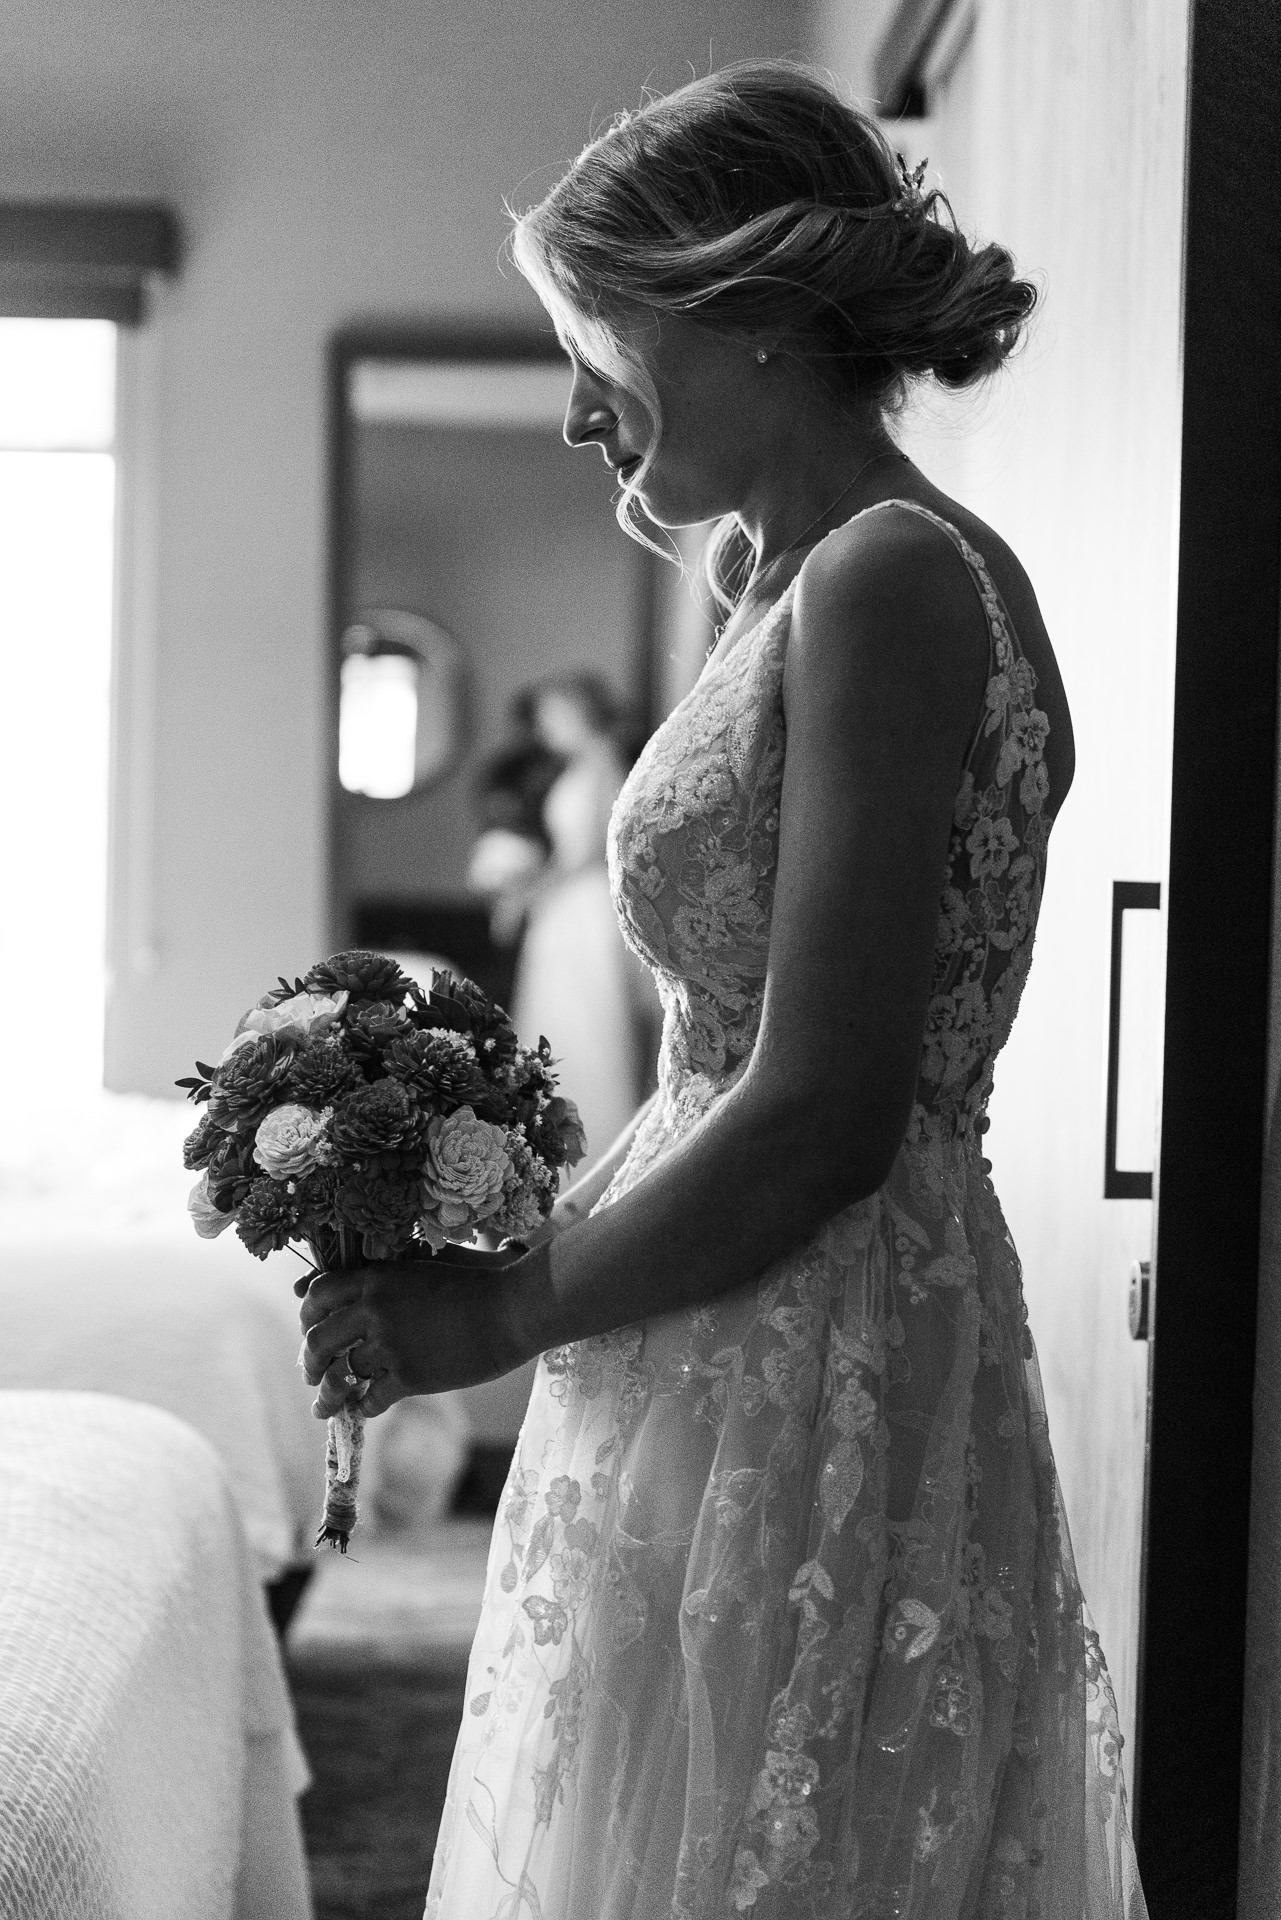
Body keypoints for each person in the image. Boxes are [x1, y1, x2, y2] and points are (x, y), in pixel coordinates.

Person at [300, 60, 1147, 1920]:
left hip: (816, 1333)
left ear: (743, 315)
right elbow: (727, 1054)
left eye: (590, 338)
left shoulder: (893, 582)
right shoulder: (769, 574)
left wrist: (493, 1318)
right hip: (710, 1309)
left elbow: (830, 1110)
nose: (576, 413)